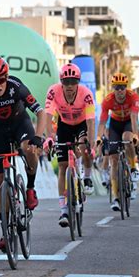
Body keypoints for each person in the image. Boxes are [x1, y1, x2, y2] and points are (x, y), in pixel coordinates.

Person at [0, 57, 45, 251]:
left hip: (19, 124)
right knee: (0, 183)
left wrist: (38, 137)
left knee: (28, 148)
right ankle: (5, 230)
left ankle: (30, 188)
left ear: (6, 77)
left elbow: (41, 112)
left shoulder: (17, 86)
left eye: (1, 80)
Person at [43, 62, 95, 228]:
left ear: (78, 83)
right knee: (63, 166)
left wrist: (90, 143)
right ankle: (63, 209)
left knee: (83, 148)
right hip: (64, 125)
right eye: (66, 82)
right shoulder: (53, 91)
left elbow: (91, 122)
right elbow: (47, 115)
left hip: (81, 125)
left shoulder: (86, 94)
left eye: (73, 82)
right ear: (61, 83)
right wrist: (49, 138)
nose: (70, 86)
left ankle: (86, 177)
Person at [96, 73, 139, 212]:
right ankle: (116, 197)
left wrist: (136, 136)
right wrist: (98, 137)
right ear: (113, 88)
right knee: (114, 160)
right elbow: (102, 122)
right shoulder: (108, 100)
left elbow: (134, 118)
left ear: (126, 88)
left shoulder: (132, 96)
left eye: (122, 87)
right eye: (117, 88)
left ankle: (133, 168)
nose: (120, 91)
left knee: (128, 138)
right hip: (115, 124)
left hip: (128, 123)